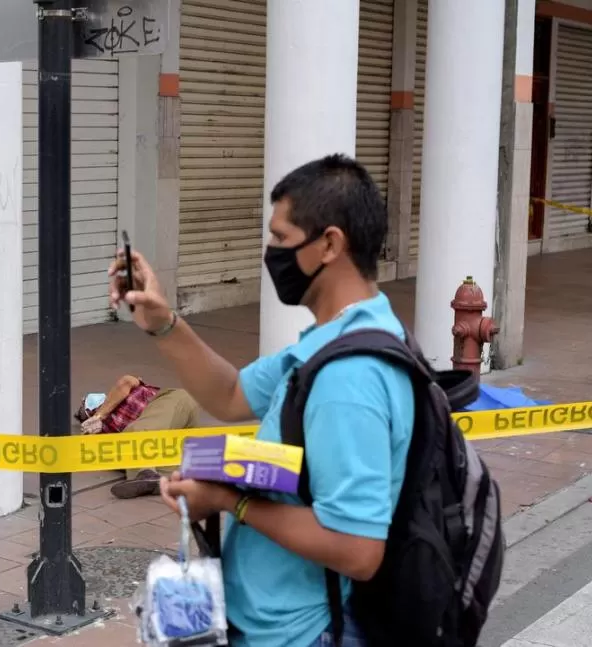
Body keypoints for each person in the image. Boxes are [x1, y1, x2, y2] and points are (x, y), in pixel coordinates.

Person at [108, 154, 414, 647]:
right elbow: (231, 394)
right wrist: (162, 321)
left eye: (280, 238)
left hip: (303, 635)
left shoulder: (349, 379)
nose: (270, 252)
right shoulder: (332, 340)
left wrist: (230, 500)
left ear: (330, 243)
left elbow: (359, 550)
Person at [74, 374, 200, 499]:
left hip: (174, 403)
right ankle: (163, 480)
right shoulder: (105, 430)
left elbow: (127, 380)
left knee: (135, 432)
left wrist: (99, 415)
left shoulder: (121, 395)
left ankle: (146, 474)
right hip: (168, 435)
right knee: (159, 461)